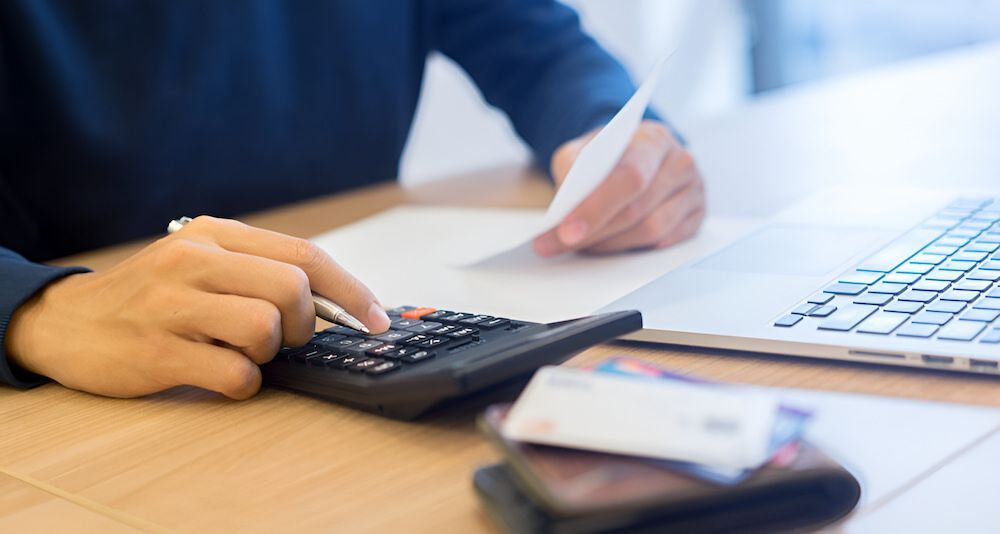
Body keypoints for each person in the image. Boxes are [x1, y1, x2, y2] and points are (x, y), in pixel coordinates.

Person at [0, 1, 705, 400]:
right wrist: (36, 308)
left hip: (356, 340)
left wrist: (613, 139)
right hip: (97, 397)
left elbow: (535, 42)